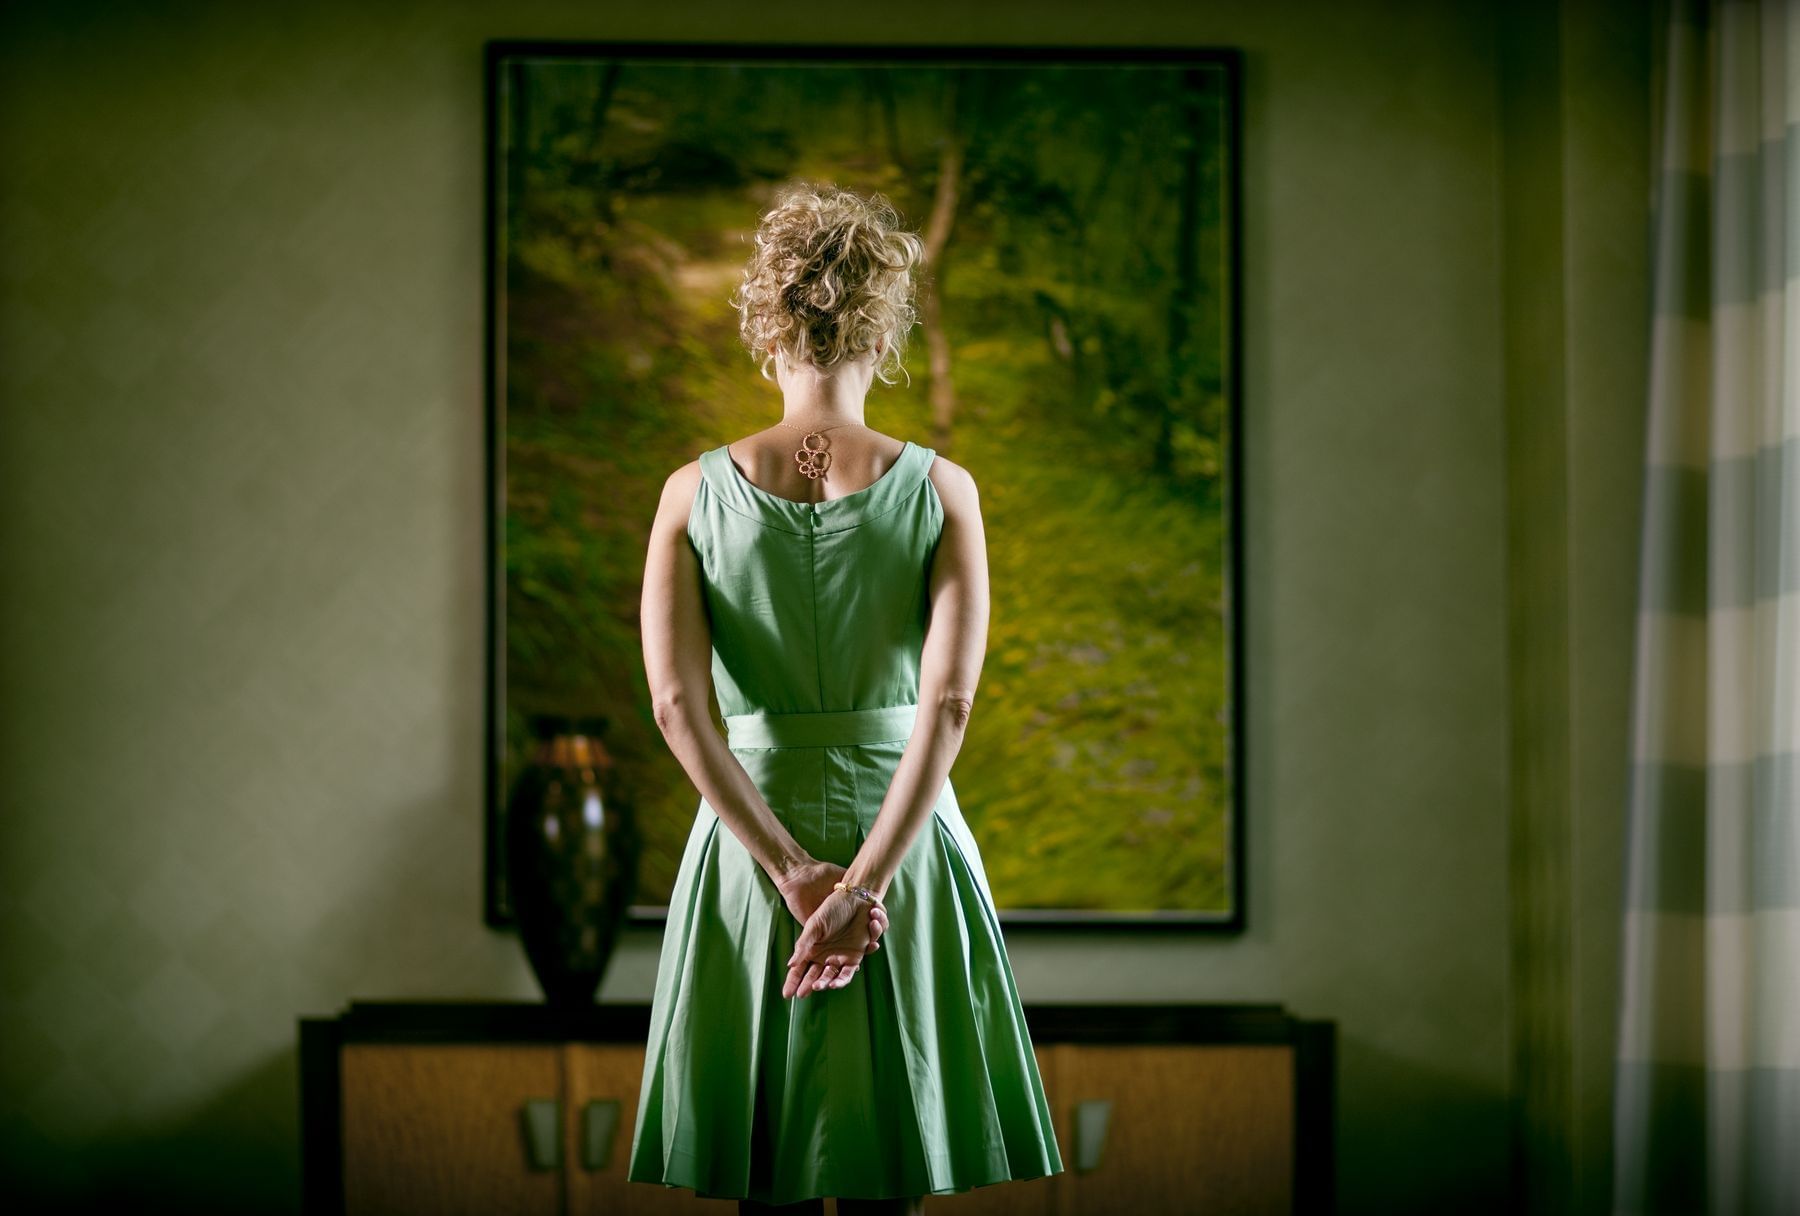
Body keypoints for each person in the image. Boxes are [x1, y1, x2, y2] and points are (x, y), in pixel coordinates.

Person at [627, 183, 1064, 1216]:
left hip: (750, 854)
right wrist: (863, 886)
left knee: (762, 1177)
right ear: (883, 327)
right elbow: (948, 706)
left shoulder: (690, 494)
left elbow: (677, 710)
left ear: (767, 327)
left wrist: (791, 871)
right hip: (901, 850)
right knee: (888, 1180)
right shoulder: (942, 488)